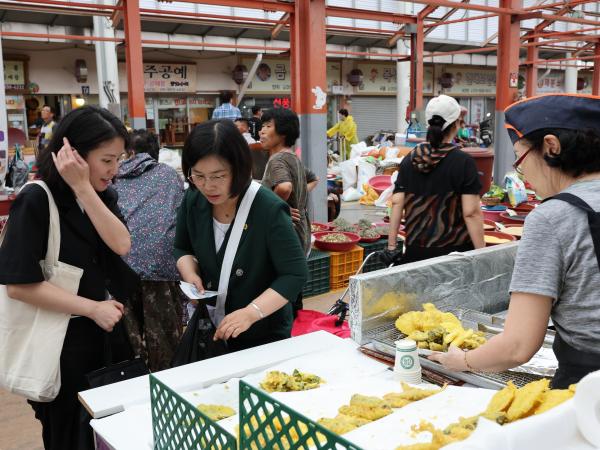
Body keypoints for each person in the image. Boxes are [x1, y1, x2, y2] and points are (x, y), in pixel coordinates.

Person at [429, 94, 600, 388]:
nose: (525, 176)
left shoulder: (554, 216)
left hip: (588, 390)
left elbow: (518, 345)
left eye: (521, 159)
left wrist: (462, 361)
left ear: (551, 147)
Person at [0, 105, 139, 450]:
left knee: (111, 433)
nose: (114, 169)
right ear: (72, 153)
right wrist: (92, 308)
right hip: (61, 346)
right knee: (69, 436)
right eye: (107, 160)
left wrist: (84, 189)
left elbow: (121, 243)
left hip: (106, 337)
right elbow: (19, 285)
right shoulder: (36, 200)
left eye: (119, 159)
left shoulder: (100, 193)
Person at [174, 120, 307, 352]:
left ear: (239, 169)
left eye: (218, 176)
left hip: (262, 334)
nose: (208, 186)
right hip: (213, 330)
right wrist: (190, 274)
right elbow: (181, 247)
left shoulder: (268, 208)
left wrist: (251, 312)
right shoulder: (194, 199)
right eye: (198, 175)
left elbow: (294, 274)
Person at [114, 129, 185, 371]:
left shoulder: (113, 177)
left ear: (128, 152)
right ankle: (166, 385)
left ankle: (136, 380)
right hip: (160, 267)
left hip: (122, 267)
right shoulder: (168, 175)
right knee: (165, 340)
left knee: (131, 342)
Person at [386, 95, 484, 265]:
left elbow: (397, 203)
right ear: (455, 125)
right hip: (454, 257)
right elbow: (471, 212)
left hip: (415, 254)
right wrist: (483, 255)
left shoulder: (409, 159)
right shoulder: (463, 162)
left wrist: (391, 247)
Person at [259, 108, 312, 256]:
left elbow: (284, 187)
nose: (261, 131)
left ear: (283, 132)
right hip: (302, 232)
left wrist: (277, 208)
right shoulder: (293, 157)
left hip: (286, 234)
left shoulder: (277, 159)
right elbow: (313, 179)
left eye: (268, 126)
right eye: (262, 126)